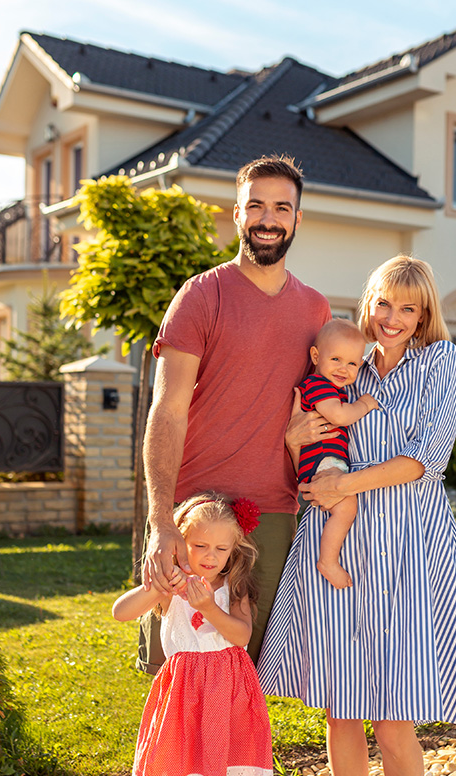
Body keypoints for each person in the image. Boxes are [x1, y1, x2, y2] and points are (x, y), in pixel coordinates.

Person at [258, 255, 456, 776]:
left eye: (407, 307)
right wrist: (296, 441)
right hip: (335, 542)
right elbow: (308, 446)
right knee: (342, 707)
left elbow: (425, 459)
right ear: (370, 302)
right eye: (384, 302)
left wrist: (345, 486)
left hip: (407, 544)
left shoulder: (440, 362)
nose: (392, 317)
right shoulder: (348, 363)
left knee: (393, 718)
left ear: (424, 312)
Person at [139, 155, 332, 673]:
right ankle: (177, 759)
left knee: (250, 667)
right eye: (257, 206)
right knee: (178, 665)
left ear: (297, 219)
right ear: (238, 213)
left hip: (273, 511)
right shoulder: (202, 295)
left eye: (281, 208)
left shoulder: (316, 309)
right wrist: (161, 519)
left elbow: (325, 401)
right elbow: (168, 409)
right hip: (194, 508)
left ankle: (242, 760)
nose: (268, 218)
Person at [113, 491, 273, 776]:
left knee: (232, 772)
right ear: (180, 544)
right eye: (200, 546)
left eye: (221, 548)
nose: (210, 556)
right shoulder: (172, 584)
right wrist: (158, 585)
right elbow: (121, 613)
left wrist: (211, 609)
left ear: (233, 550)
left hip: (230, 691)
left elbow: (241, 636)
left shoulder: (234, 584)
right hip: (183, 692)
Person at [297, 319, 378, 589]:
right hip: (322, 462)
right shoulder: (318, 384)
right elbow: (339, 416)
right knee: (346, 509)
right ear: (316, 356)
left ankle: (328, 558)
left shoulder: (331, 387)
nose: (344, 369)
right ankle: (328, 561)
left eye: (353, 364)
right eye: (336, 359)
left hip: (326, 461)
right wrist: (364, 405)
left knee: (345, 509)